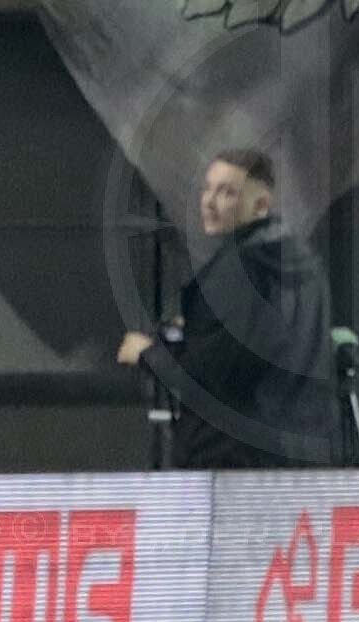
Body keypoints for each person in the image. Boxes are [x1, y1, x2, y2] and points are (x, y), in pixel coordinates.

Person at [115, 141, 341, 467]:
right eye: (208, 189)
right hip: (303, 455)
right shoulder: (306, 266)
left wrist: (148, 354)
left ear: (261, 204)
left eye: (227, 193)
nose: (209, 202)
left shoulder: (241, 268)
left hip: (233, 459)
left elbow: (212, 371)